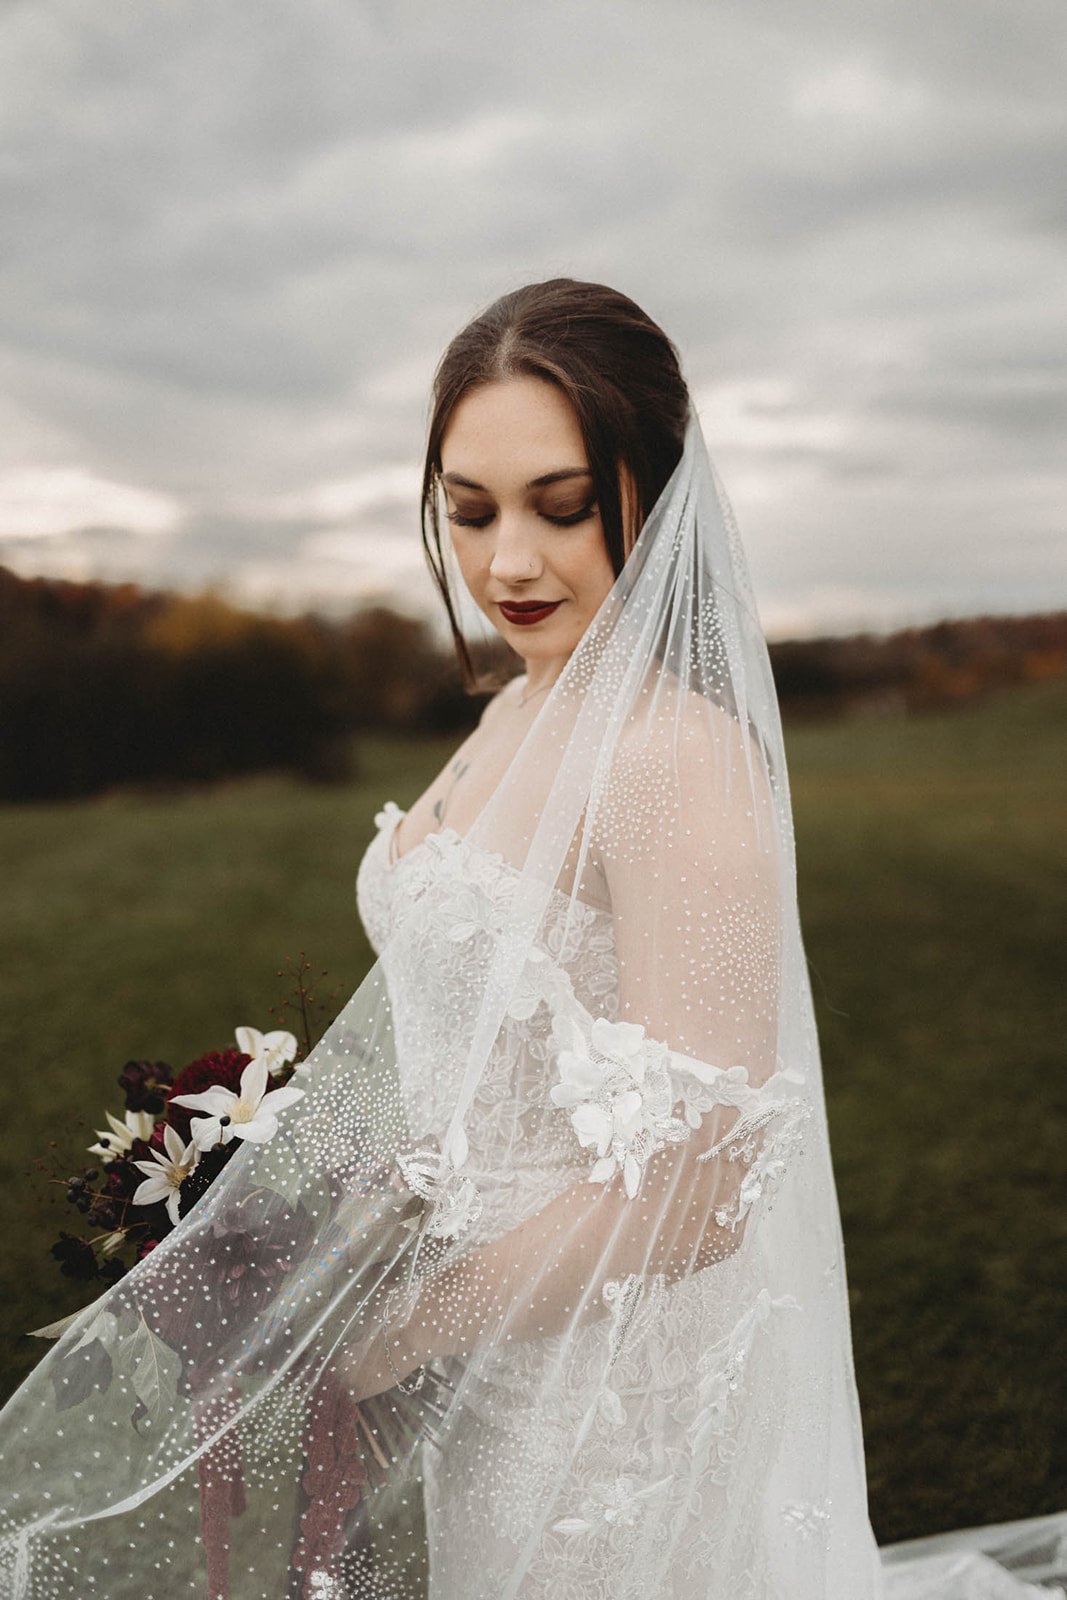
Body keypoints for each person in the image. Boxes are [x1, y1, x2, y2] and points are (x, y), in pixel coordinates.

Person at [1, 279, 1061, 1599]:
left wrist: (390, 1331)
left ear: (655, 495)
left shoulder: (673, 763)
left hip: (604, 1394)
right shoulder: (511, 711)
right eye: (469, 508)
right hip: (482, 1347)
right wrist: (295, 1201)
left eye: (563, 508)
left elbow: (709, 1181)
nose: (508, 562)